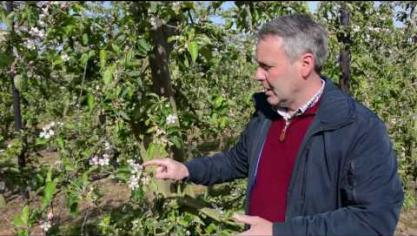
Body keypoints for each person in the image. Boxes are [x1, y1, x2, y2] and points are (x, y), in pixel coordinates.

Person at [144, 14, 404, 235]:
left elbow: (373, 221)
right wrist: (186, 169)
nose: (257, 75)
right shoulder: (267, 116)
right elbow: (237, 161)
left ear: (305, 64)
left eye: (267, 66)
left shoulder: (356, 128)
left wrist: (278, 232)